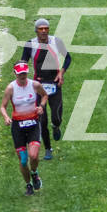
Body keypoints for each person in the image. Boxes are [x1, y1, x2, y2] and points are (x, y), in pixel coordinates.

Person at [20, 17, 72, 160]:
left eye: (46, 29)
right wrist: (23, 79)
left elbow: (68, 58)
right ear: (36, 31)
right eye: (41, 29)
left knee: (56, 115)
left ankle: (56, 126)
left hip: (55, 83)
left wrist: (61, 73)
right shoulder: (30, 44)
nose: (43, 31)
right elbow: (24, 62)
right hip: (38, 85)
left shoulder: (56, 42)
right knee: (41, 120)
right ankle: (48, 149)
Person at [0, 61, 48, 195]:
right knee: (23, 160)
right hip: (18, 127)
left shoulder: (34, 85)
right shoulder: (11, 88)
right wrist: (6, 117)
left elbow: (44, 95)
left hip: (33, 124)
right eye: (20, 74)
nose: (22, 76)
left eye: (24, 73)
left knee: (33, 155)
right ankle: (28, 185)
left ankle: (34, 173)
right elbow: (2, 106)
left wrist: (41, 107)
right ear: (15, 73)